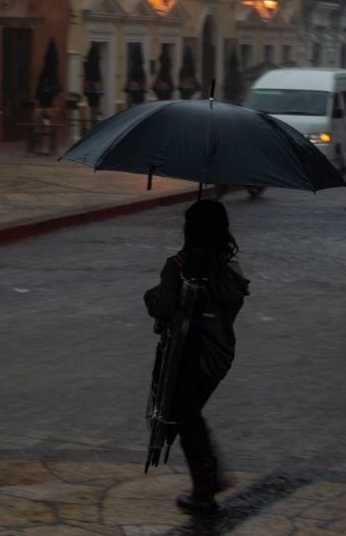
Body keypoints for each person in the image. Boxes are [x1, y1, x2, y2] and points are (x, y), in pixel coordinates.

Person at [143, 200, 250, 512]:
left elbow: (163, 305)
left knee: (183, 417)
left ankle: (205, 488)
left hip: (186, 356)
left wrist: (150, 296)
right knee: (190, 414)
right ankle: (208, 479)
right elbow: (233, 305)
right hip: (219, 356)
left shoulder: (179, 265)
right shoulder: (228, 269)